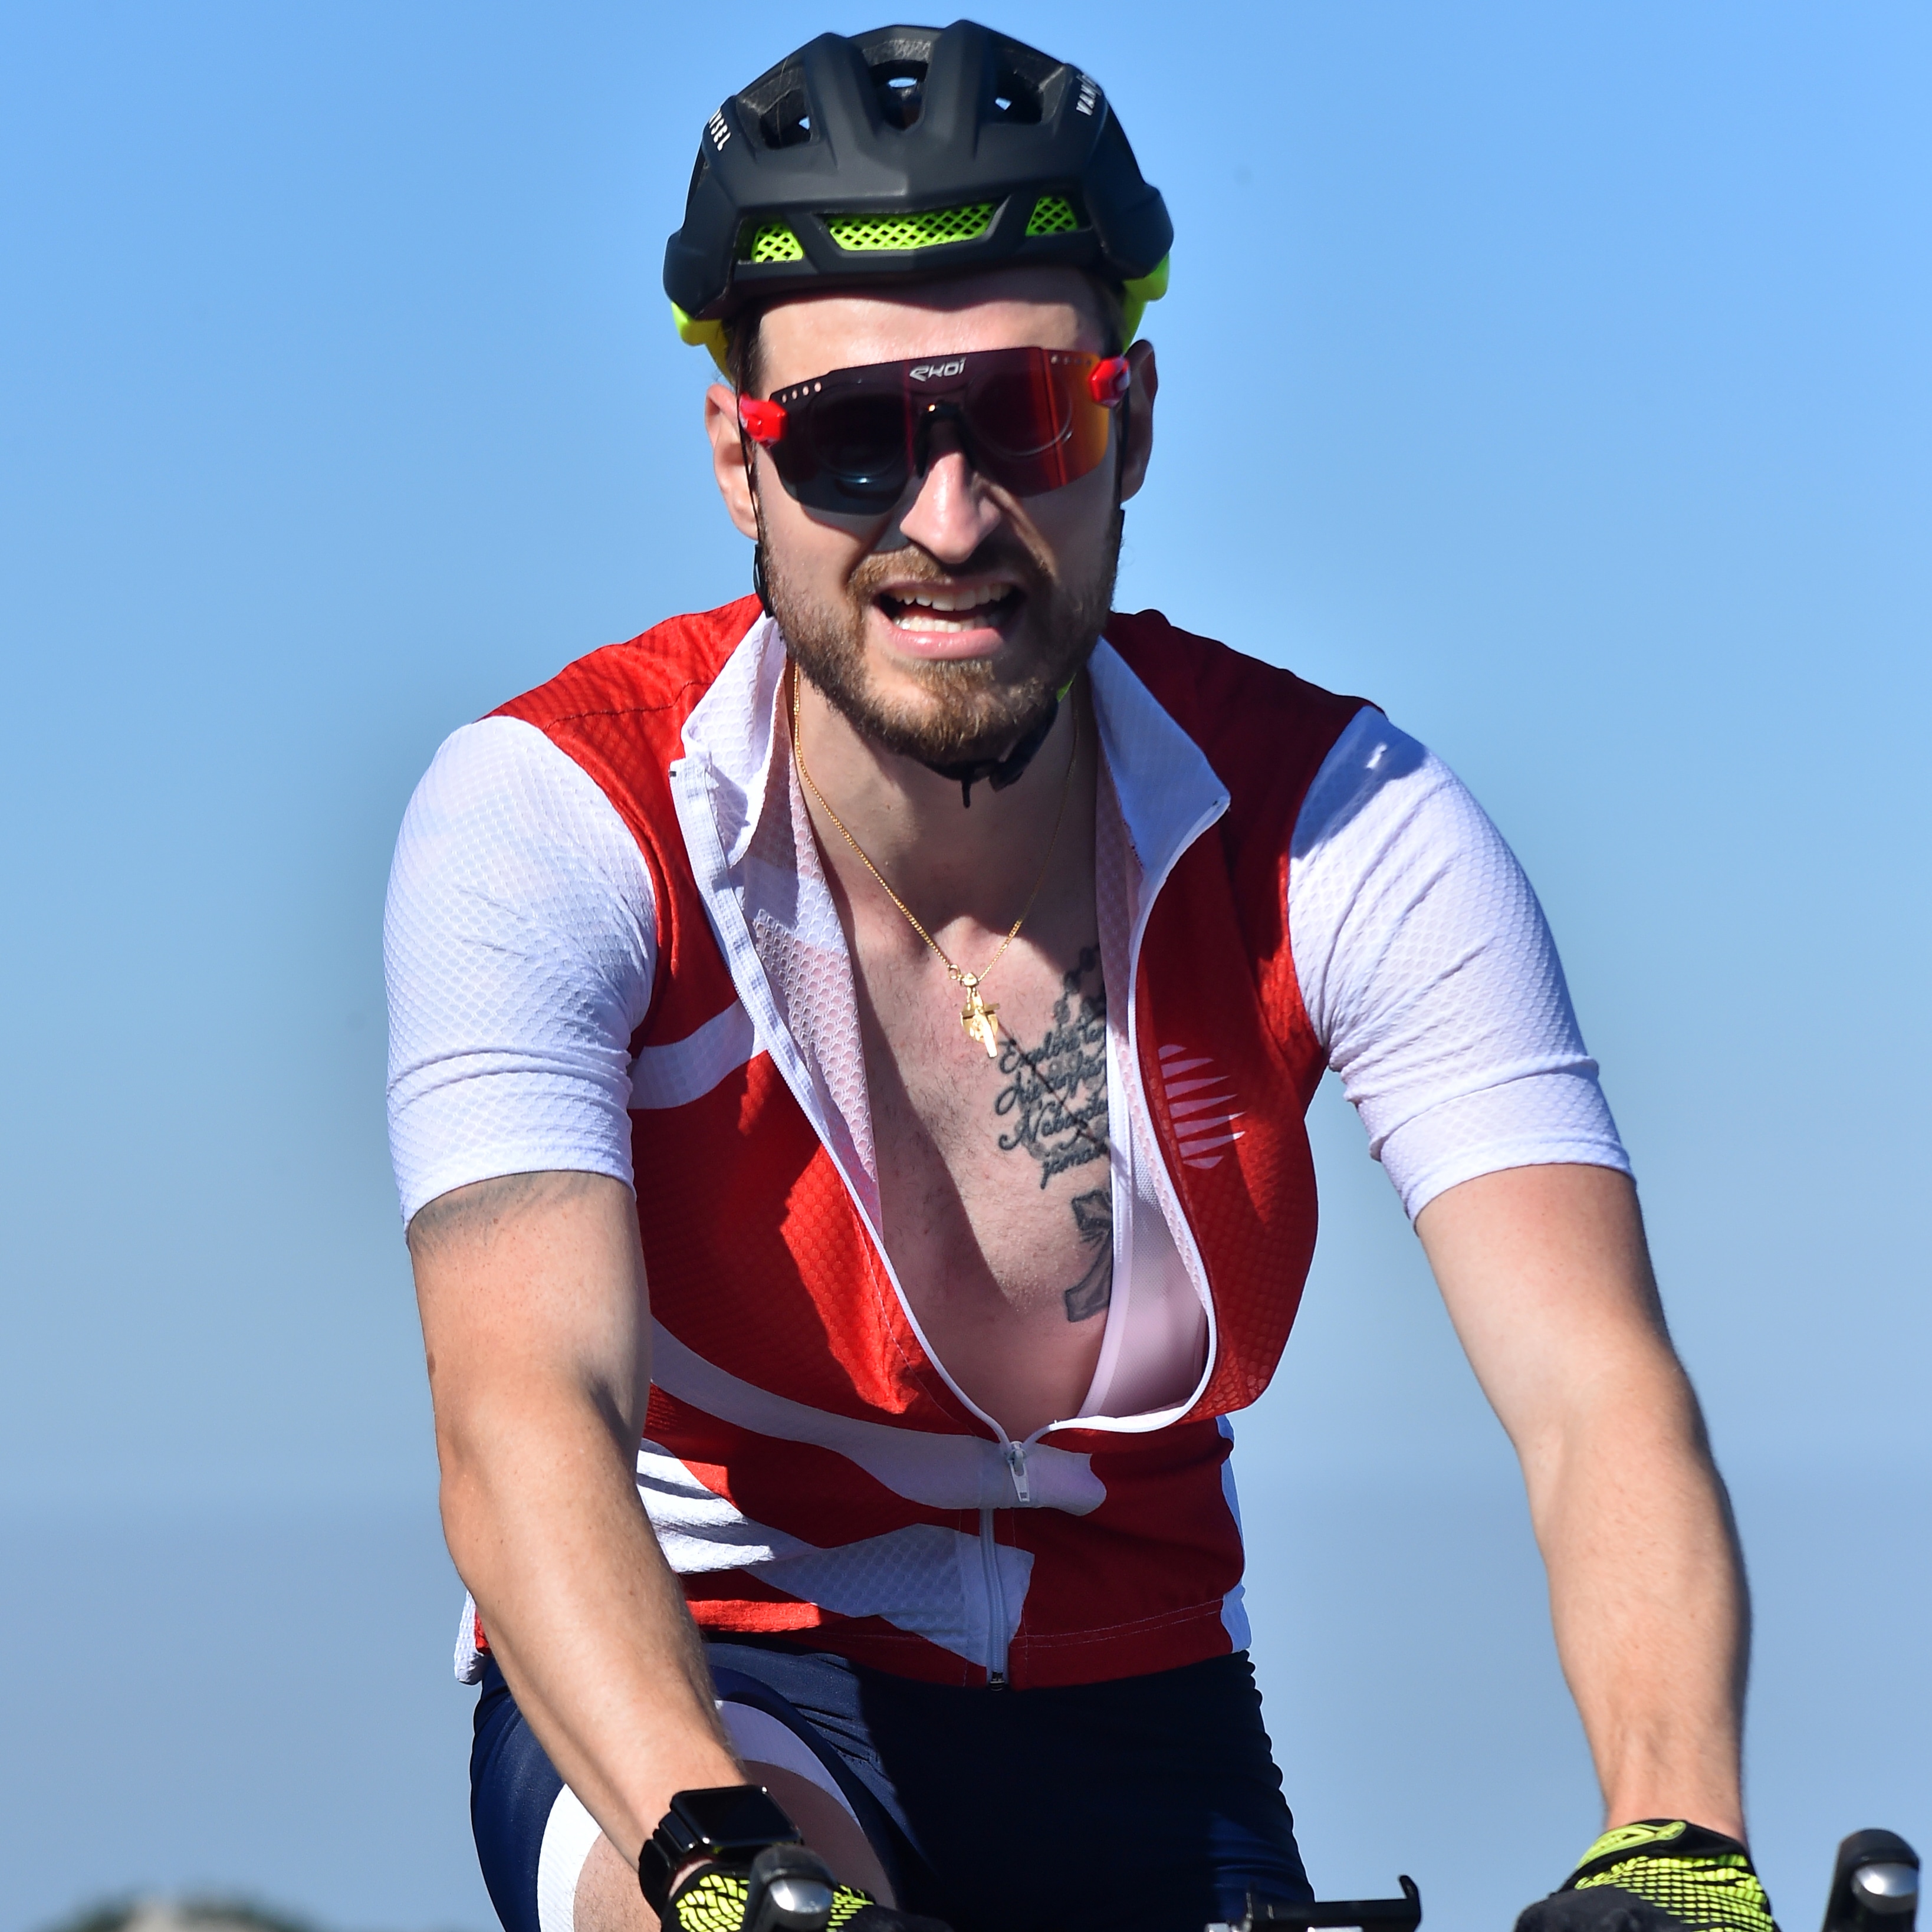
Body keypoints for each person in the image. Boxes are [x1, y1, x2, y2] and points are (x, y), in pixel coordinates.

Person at [385, 22, 1772, 1932]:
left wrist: (1677, 1835)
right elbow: (519, 1413)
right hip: (717, 1679)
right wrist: (704, 1859)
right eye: (855, 438)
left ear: (1133, 423)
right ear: (735, 458)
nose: (948, 521)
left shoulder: (1342, 822)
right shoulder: (556, 816)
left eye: (1024, 417)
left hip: (1136, 1694)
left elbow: (1594, 1388)